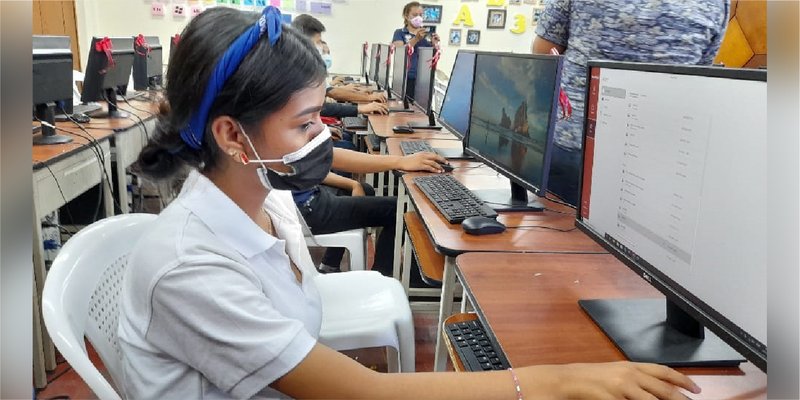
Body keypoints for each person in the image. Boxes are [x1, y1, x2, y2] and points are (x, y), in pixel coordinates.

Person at [119, 6, 702, 399]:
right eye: (304, 126)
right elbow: (366, 393)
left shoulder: (258, 197)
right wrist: (553, 381)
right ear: (229, 135)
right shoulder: (191, 266)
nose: (323, 138)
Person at [532, 0, 729, 206]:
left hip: (578, 142)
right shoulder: (717, 3)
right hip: (662, 151)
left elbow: (543, 52)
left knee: (554, 230)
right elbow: (700, 73)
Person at [293, 14, 386, 104]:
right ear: (303, 41)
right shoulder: (297, 66)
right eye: (318, 42)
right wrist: (367, 99)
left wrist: (348, 91)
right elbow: (331, 92)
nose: (320, 47)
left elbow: (328, 90)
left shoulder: (301, 62)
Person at [391, 1, 440, 100]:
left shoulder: (426, 34)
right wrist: (416, 39)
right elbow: (400, 52)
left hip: (424, 81)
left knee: (423, 112)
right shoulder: (399, 33)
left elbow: (431, 58)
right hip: (406, 79)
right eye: (414, 15)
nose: (418, 17)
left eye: (421, 15)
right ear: (406, 16)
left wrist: (435, 45)